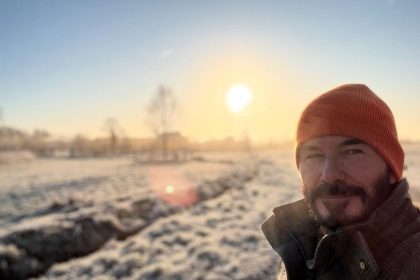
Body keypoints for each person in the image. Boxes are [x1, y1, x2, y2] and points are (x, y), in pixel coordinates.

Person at [261, 84, 420, 280]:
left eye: (351, 152)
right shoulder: (302, 244)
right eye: (314, 155)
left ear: (391, 169)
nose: (329, 175)